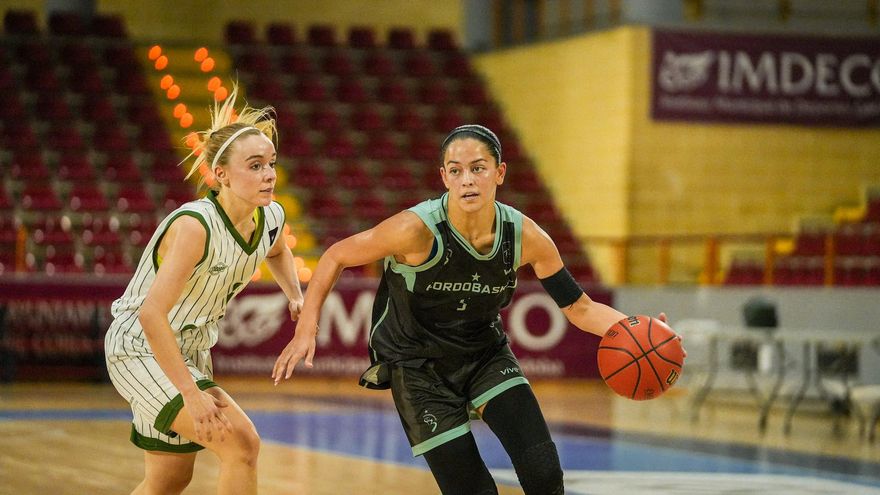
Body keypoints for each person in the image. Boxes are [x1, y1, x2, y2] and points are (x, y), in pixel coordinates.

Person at [272, 124, 678, 494]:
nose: (467, 179)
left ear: (500, 173)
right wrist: (307, 326)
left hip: (484, 354)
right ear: (444, 177)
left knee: (544, 474)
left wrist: (635, 330)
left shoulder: (526, 236)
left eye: (479, 168)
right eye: (456, 170)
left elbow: (579, 306)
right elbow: (336, 256)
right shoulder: (415, 230)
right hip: (417, 367)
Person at [105, 84, 303, 495]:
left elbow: (278, 250)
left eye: (271, 163)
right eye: (255, 166)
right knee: (240, 444)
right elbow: (150, 314)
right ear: (221, 175)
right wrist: (189, 391)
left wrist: (294, 293)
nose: (268, 174)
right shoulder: (195, 226)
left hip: (188, 350)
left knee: (169, 479)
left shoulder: (271, 215)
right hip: (140, 346)